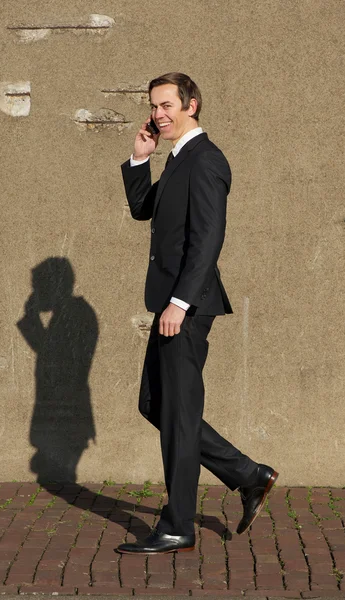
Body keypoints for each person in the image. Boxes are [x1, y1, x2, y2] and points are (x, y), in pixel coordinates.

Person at [116, 73, 278, 555]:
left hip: (185, 306)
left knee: (179, 416)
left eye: (167, 104)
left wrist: (181, 303)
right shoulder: (178, 159)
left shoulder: (207, 160)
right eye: (154, 106)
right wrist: (140, 160)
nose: (159, 114)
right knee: (157, 405)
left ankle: (177, 525)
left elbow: (208, 239)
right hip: (174, 303)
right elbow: (144, 210)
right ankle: (248, 475)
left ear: (192, 104)